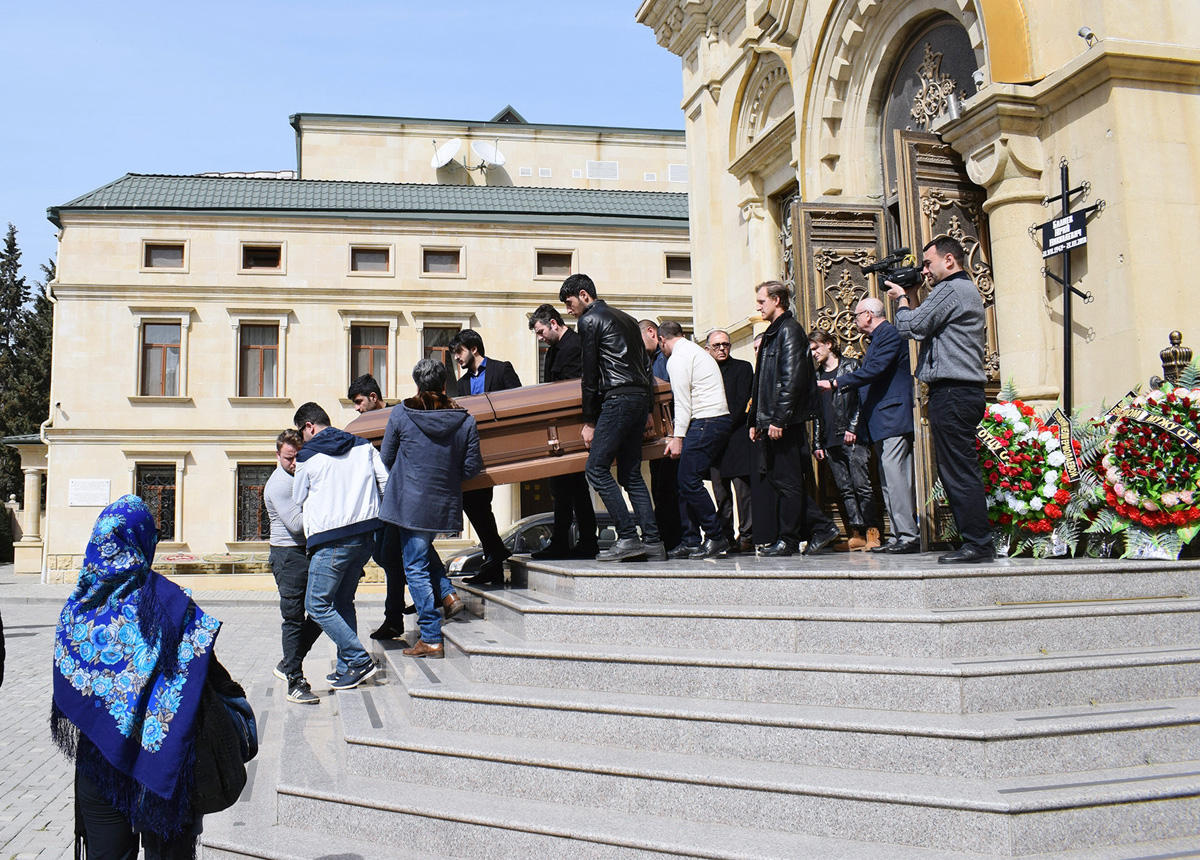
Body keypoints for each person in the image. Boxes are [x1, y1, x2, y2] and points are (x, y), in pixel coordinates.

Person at [52, 495, 226, 857]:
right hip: (165, 768)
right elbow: (200, 670)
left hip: (98, 766)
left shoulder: (76, 610)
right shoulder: (170, 601)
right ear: (142, 540)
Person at [890, 236, 994, 563]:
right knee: (956, 469)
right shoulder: (959, 291)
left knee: (958, 471)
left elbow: (912, 326)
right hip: (958, 391)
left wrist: (904, 299)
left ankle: (978, 544)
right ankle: (974, 540)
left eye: (928, 263)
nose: (925, 270)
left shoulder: (951, 290)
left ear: (949, 260)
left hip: (953, 391)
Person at [380, 359, 481, 659]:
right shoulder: (465, 420)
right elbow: (472, 466)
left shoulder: (401, 413)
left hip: (406, 502)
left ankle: (431, 636)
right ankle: (448, 593)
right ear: (445, 384)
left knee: (415, 567)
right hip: (441, 504)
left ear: (418, 385)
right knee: (420, 556)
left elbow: (386, 456)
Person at [561, 274, 664, 562]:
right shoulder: (628, 319)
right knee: (631, 473)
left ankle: (629, 537)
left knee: (596, 469)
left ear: (584, 295)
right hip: (638, 399)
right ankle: (654, 542)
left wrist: (589, 420)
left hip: (616, 399)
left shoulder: (589, 321)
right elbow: (646, 365)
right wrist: (648, 408)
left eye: (569, 304)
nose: (569, 311)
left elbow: (590, 373)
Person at [292, 401, 388, 689]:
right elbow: (386, 481)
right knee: (342, 601)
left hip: (331, 540)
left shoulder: (307, 456)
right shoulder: (364, 447)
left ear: (309, 426)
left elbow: (298, 497)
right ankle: (348, 667)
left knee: (317, 604)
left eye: (301, 432)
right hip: (365, 536)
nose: (301, 439)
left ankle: (359, 660)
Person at [819, 297, 919, 553]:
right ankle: (898, 535)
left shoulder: (889, 334)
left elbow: (874, 370)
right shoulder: (877, 338)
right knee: (888, 479)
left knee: (896, 478)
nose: (853, 320)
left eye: (855, 315)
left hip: (893, 417)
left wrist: (835, 383)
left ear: (868, 315)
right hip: (882, 420)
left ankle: (908, 536)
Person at [748, 281, 840, 557]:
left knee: (787, 482)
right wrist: (754, 420)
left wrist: (778, 419)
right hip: (771, 420)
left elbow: (792, 380)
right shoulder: (773, 333)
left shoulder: (789, 330)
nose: (758, 306)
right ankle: (820, 528)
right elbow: (762, 382)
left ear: (777, 300)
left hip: (783, 422)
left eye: (762, 301)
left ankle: (791, 539)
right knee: (779, 481)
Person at [451, 329, 522, 585]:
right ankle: (494, 555)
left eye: (459, 352)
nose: (457, 359)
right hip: (473, 451)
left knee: (478, 502)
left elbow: (517, 402)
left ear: (473, 348)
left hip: (499, 447)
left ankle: (494, 555)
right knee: (474, 501)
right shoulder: (461, 384)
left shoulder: (502, 370)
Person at [528, 303, 599, 559]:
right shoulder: (554, 351)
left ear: (554, 324)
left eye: (540, 331)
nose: (540, 337)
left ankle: (585, 541)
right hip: (558, 428)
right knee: (562, 487)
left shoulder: (576, 346)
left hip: (573, 427)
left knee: (575, 487)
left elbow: (578, 389)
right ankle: (567, 541)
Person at [659, 321, 732, 558]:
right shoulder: (694, 351)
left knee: (689, 480)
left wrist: (677, 436)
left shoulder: (678, 358)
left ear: (662, 340)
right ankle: (691, 540)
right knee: (684, 482)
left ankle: (715, 536)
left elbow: (682, 401)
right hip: (709, 421)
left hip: (706, 421)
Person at [263, 428, 322, 703]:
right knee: (294, 619)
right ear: (278, 455)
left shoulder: (298, 477)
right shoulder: (279, 484)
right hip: (288, 555)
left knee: (323, 609)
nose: (294, 462)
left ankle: (288, 663)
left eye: (298, 456)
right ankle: (295, 682)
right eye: (289, 458)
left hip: (303, 552)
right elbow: (297, 525)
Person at [809, 331, 879, 551]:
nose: (814, 353)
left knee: (862, 486)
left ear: (829, 344)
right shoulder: (817, 375)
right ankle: (855, 533)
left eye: (816, 348)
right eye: (811, 350)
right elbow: (818, 412)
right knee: (845, 488)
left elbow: (861, 400)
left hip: (852, 437)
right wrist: (817, 443)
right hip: (830, 440)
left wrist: (853, 427)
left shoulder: (851, 367)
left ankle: (873, 532)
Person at [706, 329, 755, 553]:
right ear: (708, 348)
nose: (722, 349)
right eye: (716, 345)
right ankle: (726, 537)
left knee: (743, 492)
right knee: (720, 493)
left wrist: (721, 426)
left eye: (725, 344)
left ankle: (747, 535)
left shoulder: (743, 368)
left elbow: (741, 403)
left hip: (736, 437)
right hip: (714, 441)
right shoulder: (704, 372)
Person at [641, 318, 683, 552]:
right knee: (660, 487)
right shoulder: (653, 360)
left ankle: (674, 539)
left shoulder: (665, 359)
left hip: (671, 433)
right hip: (660, 436)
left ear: (652, 332)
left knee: (669, 489)